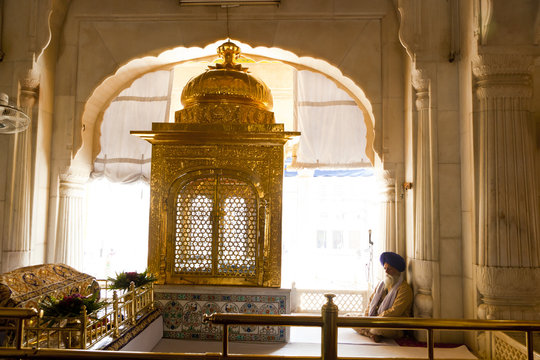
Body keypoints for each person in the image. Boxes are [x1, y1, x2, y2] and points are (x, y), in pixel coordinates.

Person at [355, 251, 413, 342]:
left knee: (377, 329)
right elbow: (370, 303)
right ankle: (371, 334)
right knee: (350, 318)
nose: (386, 271)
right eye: (385, 268)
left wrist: (375, 320)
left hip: (393, 325)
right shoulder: (381, 284)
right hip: (376, 320)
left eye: (389, 269)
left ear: (397, 270)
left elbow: (395, 312)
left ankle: (371, 332)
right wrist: (367, 318)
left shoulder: (404, 289)